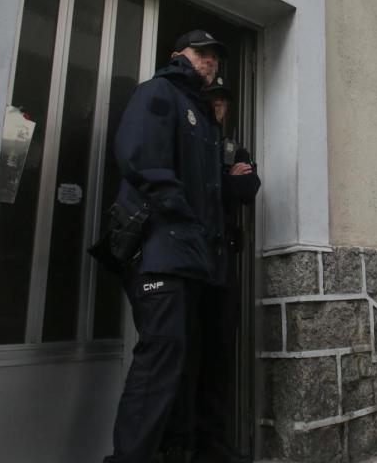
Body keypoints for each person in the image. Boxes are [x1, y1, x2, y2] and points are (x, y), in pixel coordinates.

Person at [104, 29, 230, 463]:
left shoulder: (201, 114)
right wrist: (182, 214)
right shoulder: (159, 92)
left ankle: (177, 449)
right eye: (202, 53)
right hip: (160, 250)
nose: (209, 61)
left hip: (190, 255)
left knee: (184, 357)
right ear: (178, 54)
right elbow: (140, 157)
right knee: (161, 355)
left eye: (214, 56)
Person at [193, 76, 260, 463]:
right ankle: (177, 444)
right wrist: (223, 180)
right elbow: (194, 189)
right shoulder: (186, 139)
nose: (217, 106)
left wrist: (221, 181)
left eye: (223, 101)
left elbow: (248, 190)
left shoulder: (234, 147)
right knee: (184, 353)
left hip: (223, 263)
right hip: (188, 261)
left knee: (219, 356)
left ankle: (212, 445)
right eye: (211, 99)